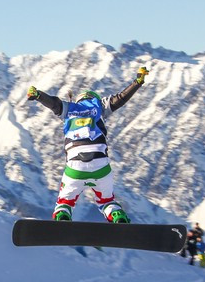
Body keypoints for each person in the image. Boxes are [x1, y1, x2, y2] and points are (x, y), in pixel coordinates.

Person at [26, 66, 148, 222]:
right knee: (107, 201)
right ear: (94, 99)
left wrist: (38, 95)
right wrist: (137, 82)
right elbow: (121, 98)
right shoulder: (100, 106)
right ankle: (117, 216)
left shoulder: (69, 108)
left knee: (65, 202)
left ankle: (63, 215)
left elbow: (53, 103)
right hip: (101, 165)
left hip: (76, 167)